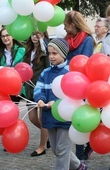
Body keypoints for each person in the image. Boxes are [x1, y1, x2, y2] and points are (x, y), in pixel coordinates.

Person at [34, 38, 87, 170]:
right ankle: (79, 165)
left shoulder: (71, 72)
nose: (51, 56)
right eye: (50, 53)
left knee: (62, 151)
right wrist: (40, 99)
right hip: (49, 117)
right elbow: (38, 89)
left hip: (65, 118)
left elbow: (76, 95)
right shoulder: (45, 73)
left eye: (55, 53)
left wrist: (58, 103)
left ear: (63, 54)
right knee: (56, 149)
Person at [64, 10, 94, 161]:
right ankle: (81, 151)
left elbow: (85, 61)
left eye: (65, 25)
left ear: (73, 25)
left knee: (79, 119)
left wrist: (69, 64)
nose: (63, 28)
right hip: (69, 83)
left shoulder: (87, 40)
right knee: (72, 118)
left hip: (82, 83)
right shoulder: (67, 40)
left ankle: (80, 154)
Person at [24, 31, 50, 157]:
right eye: (32, 34)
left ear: (43, 35)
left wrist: (42, 42)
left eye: (37, 34)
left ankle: (42, 146)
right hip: (29, 88)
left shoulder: (45, 51)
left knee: (42, 119)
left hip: (41, 88)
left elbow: (48, 68)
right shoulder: (27, 50)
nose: (34, 36)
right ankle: (49, 135)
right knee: (32, 118)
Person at [0, 27, 26, 102]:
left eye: (7, 35)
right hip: (4, 85)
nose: (5, 38)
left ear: (12, 36)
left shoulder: (22, 50)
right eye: (3, 36)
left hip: (18, 84)